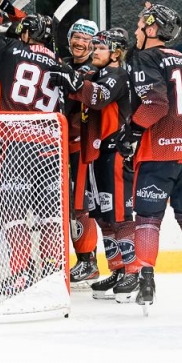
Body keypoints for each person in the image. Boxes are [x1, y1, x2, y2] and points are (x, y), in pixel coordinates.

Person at [112, 3, 182, 309]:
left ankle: (146, 282)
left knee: (147, 220)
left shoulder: (145, 56)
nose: (136, 29)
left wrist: (128, 135)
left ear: (153, 29)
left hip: (160, 151)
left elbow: (155, 104)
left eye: (141, 24)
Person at [0, 11, 66, 293]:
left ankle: (21, 275)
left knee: (14, 215)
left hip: (17, 143)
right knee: (50, 215)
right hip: (51, 146)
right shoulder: (59, 62)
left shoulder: (12, 50)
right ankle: (53, 273)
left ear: (27, 34)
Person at [61, 29, 135, 299]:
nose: (95, 52)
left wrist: (72, 78)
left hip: (115, 153)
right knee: (104, 217)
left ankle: (132, 272)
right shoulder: (99, 73)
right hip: (97, 153)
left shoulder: (118, 75)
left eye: (101, 49)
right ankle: (116, 269)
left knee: (120, 215)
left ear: (115, 53)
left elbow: (97, 97)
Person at [62, 18, 101, 289]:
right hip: (56, 144)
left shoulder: (94, 69)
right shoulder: (62, 62)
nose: (80, 43)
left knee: (81, 206)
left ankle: (88, 261)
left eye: (86, 40)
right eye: (76, 37)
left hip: (81, 146)